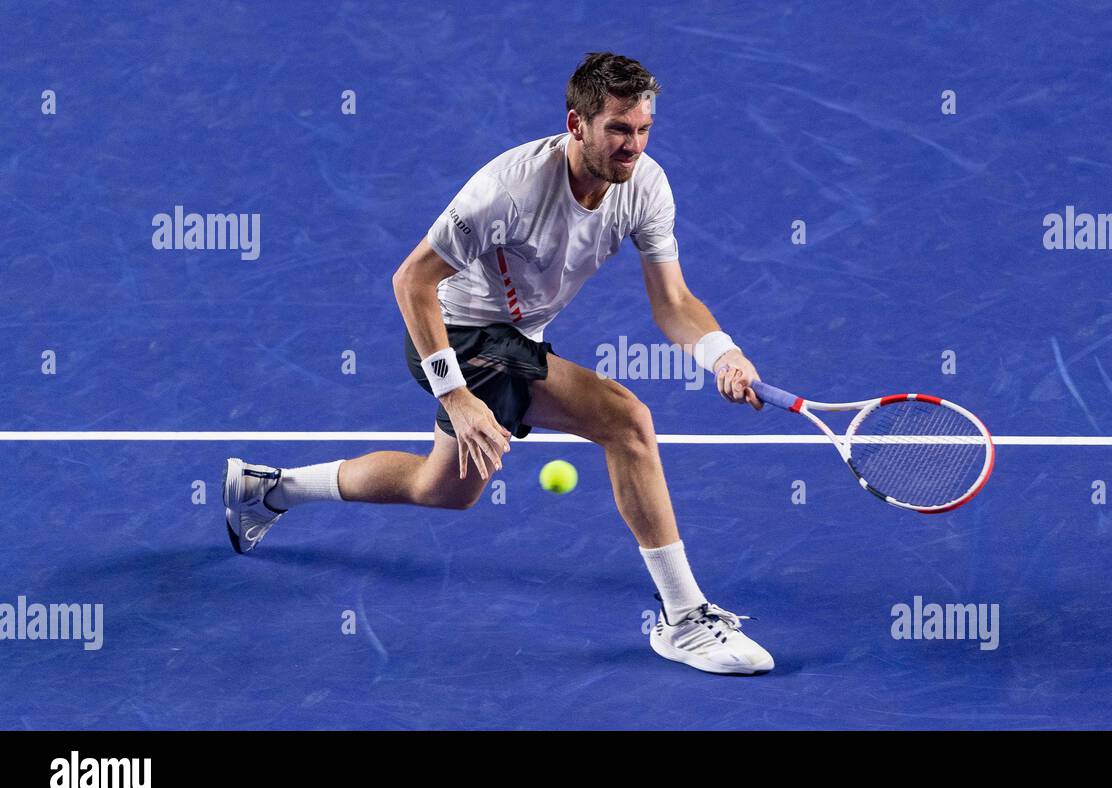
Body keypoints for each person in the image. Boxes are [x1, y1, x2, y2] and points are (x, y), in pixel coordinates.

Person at [223, 52, 773, 675]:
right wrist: (456, 395)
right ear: (577, 123)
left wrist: (719, 351)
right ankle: (683, 618)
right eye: (619, 129)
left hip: (514, 338)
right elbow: (410, 283)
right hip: (455, 334)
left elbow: (672, 303)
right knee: (627, 421)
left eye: (643, 130)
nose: (633, 146)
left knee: (445, 490)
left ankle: (266, 491)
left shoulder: (646, 186)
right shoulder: (508, 190)